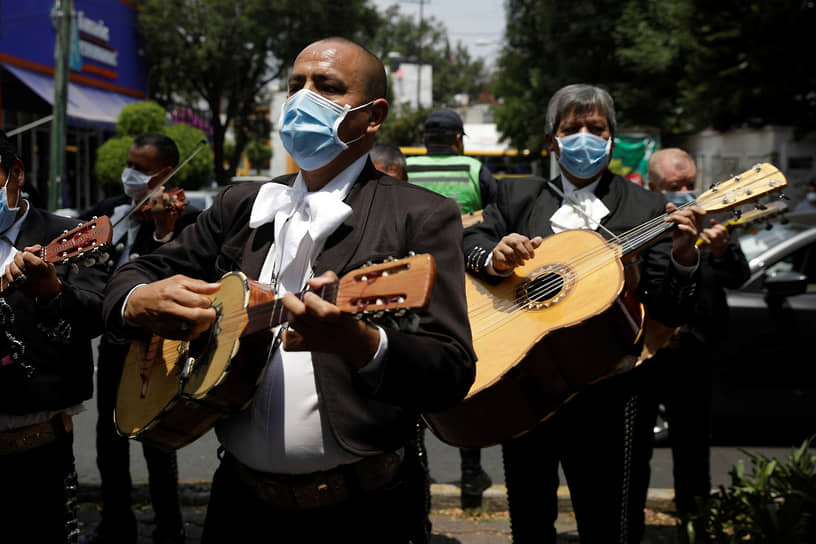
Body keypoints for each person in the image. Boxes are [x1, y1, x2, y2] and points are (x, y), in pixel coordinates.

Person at [101, 37, 475, 543]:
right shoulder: (243, 205)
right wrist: (136, 300)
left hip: (364, 512)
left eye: (328, 87)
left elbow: (451, 371)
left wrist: (365, 345)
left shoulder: (420, 215)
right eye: (296, 84)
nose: (303, 98)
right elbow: (137, 271)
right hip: (238, 504)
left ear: (373, 115)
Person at [462, 84, 705, 543]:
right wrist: (495, 257)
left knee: (610, 523)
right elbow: (467, 244)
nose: (585, 137)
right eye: (571, 128)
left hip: (611, 391)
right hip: (526, 385)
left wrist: (684, 257)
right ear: (552, 141)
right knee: (530, 522)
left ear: (612, 138)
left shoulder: (647, 208)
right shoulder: (519, 197)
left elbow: (673, 307)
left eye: (597, 128)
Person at [79, 133, 199, 544]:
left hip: (157, 347)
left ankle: (169, 529)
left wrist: (166, 228)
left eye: (140, 168)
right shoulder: (111, 213)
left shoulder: (185, 220)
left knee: (157, 441)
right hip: (114, 345)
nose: (129, 173)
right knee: (107, 439)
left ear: (166, 175)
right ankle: (116, 524)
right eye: (128, 163)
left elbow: (182, 271)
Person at [0, 130, 108, 542]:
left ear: (16, 173)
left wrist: (53, 294)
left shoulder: (69, 237)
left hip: (38, 449)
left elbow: (99, 314)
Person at [644, 148, 750, 518]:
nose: (686, 191)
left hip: (694, 349)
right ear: (654, 186)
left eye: (691, 183)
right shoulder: (641, 223)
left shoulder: (711, 224)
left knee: (693, 444)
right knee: (637, 446)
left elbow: (739, 277)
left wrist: (722, 252)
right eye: (676, 185)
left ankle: (695, 519)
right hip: (648, 352)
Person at [406, 109, 498, 215]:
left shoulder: (406, 167)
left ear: (424, 140)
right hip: (467, 231)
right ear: (458, 138)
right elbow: (496, 211)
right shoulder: (475, 169)